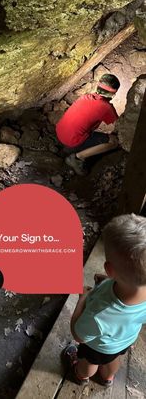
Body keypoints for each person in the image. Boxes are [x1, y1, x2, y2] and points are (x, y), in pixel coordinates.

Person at [62, 214, 146, 387]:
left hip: (99, 346)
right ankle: (108, 379)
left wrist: (82, 299)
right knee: (114, 359)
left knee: (89, 361)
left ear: (110, 270)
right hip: (126, 339)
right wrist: (109, 282)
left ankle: (81, 375)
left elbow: (79, 335)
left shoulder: (100, 313)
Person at [56, 74, 120, 175]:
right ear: (113, 94)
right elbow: (121, 125)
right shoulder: (106, 107)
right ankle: (77, 157)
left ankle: (69, 148)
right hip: (72, 141)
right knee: (114, 141)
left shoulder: (86, 97)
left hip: (60, 132)